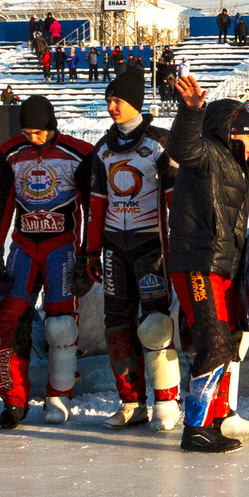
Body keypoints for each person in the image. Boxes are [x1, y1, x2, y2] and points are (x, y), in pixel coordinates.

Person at [165, 73, 249, 453]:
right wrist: (192, 111)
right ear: (232, 132)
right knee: (212, 340)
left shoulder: (238, 168)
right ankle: (195, 429)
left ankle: (218, 418)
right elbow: (182, 145)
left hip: (222, 266)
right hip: (197, 263)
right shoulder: (206, 152)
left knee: (229, 339)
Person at [0, 95, 97, 429]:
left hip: (61, 246)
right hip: (23, 245)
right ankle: (13, 401)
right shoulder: (10, 152)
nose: (32, 138)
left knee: (60, 324)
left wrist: (89, 255)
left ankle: (59, 396)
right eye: (27, 132)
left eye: (38, 132)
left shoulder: (80, 152)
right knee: (11, 317)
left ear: (51, 126)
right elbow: (2, 203)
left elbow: (93, 208)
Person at [90, 65, 179, 431]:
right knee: (116, 323)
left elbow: (176, 198)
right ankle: (131, 402)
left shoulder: (160, 141)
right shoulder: (103, 148)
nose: (112, 107)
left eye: (118, 101)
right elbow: (96, 204)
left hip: (150, 245)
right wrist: (88, 251)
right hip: (114, 245)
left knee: (156, 323)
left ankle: (165, 402)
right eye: (109, 100)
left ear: (136, 103)